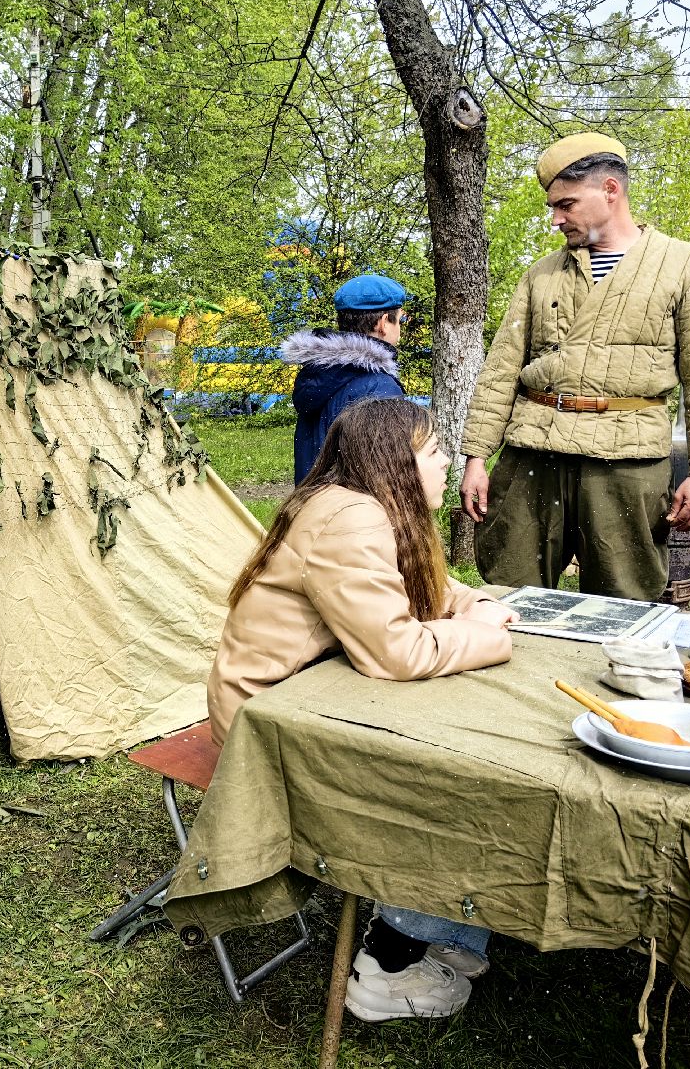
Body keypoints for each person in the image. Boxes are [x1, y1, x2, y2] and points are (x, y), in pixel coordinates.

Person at [208, 398, 518, 1021]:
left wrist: (473, 605)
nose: (446, 463)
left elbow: (417, 588)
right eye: (434, 452)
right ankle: (388, 965)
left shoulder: (363, 507)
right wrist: (488, 636)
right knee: (434, 773)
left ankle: (443, 927)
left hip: (311, 699)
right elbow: (396, 652)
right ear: (395, 461)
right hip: (267, 727)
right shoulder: (352, 521)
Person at [459, 132, 690, 601]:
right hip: (534, 452)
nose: (556, 219)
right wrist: (476, 457)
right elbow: (500, 370)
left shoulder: (686, 268)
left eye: (566, 205)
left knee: (623, 603)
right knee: (511, 593)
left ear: (610, 190)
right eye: (553, 207)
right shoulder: (542, 274)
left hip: (625, 458)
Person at [282, 273, 409, 484]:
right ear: (383, 323)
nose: (401, 328)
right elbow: (387, 471)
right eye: (402, 319)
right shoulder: (379, 386)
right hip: (358, 503)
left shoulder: (318, 375)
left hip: (312, 500)